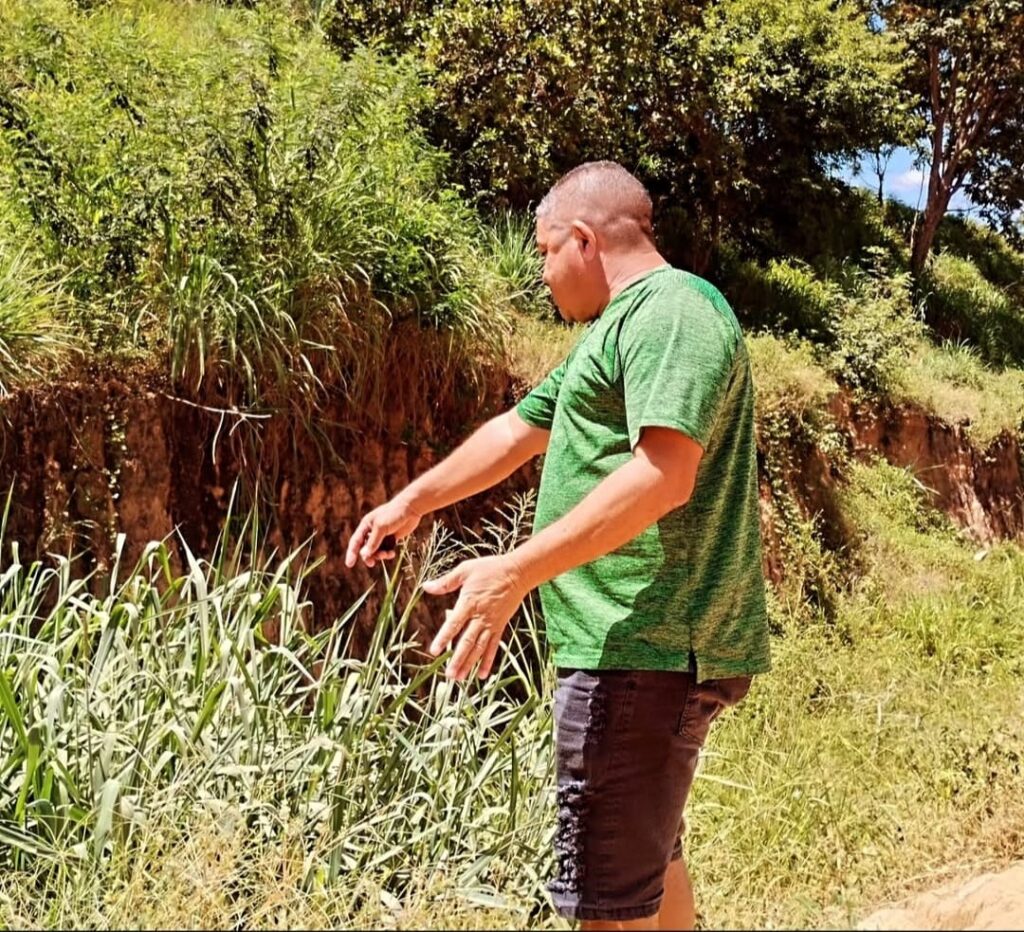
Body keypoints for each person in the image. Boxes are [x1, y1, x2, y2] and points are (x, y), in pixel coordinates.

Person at [345, 160, 770, 931]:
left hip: (643, 645)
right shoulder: (613, 332)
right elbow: (516, 432)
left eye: (544, 251)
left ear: (581, 239)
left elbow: (664, 474)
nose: (541, 273)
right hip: (631, 650)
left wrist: (515, 570)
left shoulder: (671, 312)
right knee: (645, 864)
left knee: (606, 906)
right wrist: (413, 501)